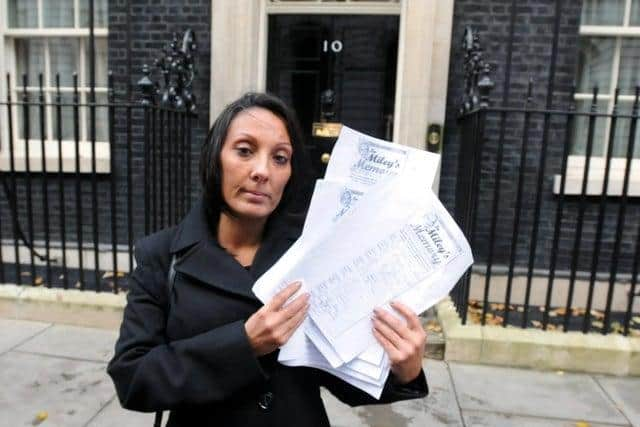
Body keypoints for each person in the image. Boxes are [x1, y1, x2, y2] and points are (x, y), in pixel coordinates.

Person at [107, 92, 428, 426]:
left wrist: (402, 371)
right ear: (215, 157)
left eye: (279, 158)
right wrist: (244, 345)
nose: (262, 171)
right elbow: (133, 378)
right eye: (245, 151)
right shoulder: (161, 255)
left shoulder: (312, 254)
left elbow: (344, 380)